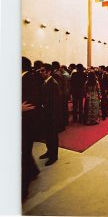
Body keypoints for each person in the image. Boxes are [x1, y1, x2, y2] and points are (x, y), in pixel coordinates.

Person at [22, 57, 41, 200]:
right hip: (26, 122)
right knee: (25, 153)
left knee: (23, 154)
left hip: (27, 123)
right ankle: (33, 170)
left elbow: (31, 105)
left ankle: (23, 190)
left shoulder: (30, 80)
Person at [39, 63, 61, 166]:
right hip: (46, 115)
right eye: (40, 70)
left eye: (43, 71)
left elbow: (55, 103)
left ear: (49, 72)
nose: (41, 72)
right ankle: (49, 151)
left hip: (52, 116)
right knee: (48, 135)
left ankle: (53, 156)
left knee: (52, 136)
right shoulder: (46, 82)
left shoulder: (53, 83)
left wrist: (53, 118)